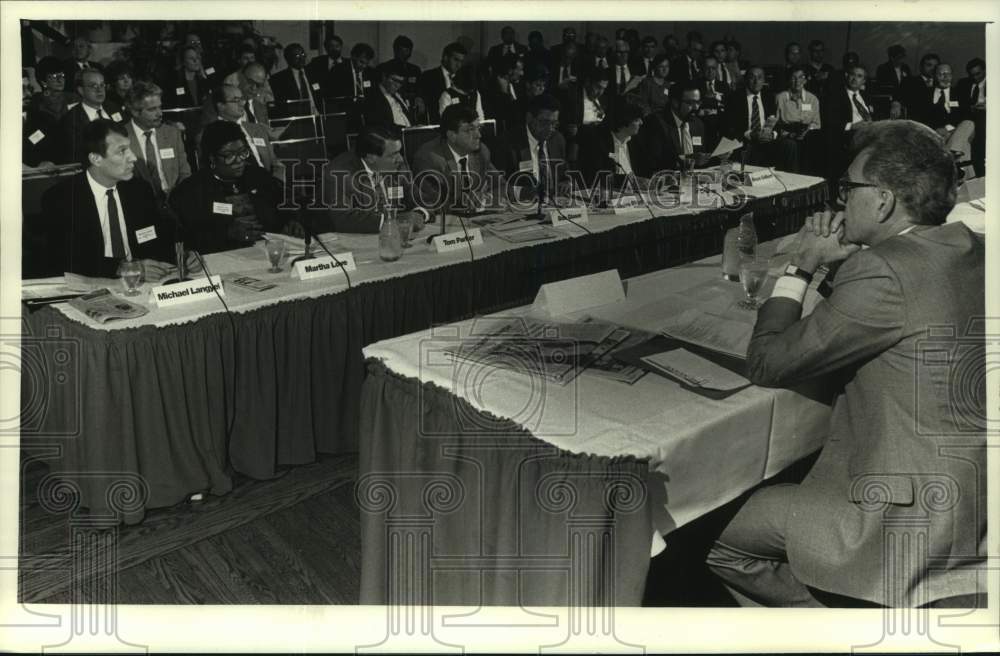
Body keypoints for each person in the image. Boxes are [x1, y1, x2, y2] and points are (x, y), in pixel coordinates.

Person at [706, 119, 986, 608]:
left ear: (881, 200)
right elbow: (883, 319)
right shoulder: (969, 248)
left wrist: (800, 265)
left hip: (902, 514)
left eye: (848, 189)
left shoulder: (882, 270)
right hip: (975, 496)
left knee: (716, 537)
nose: (839, 202)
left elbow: (767, 362)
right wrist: (846, 263)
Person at [41, 119, 173, 277]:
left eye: (129, 148)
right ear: (96, 159)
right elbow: (63, 259)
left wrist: (181, 254)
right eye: (122, 151)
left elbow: (154, 239)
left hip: (140, 283)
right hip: (91, 284)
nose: (133, 158)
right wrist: (121, 268)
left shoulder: (139, 190)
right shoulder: (60, 199)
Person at [169, 121, 290, 254]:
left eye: (243, 152)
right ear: (212, 158)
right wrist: (226, 233)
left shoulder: (259, 176)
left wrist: (292, 222)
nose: (239, 160)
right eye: (229, 155)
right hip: (224, 256)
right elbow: (189, 237)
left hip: (269, 250)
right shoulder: (191, 191)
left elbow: (286, 208)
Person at [313, 124, 428, 234]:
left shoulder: (398, 167)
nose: (401, 159)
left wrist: (419, 214)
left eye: (400, 152)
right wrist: (393, 220)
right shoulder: (339, 173)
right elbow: (342, 218)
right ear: (371, 158)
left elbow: (421, 200)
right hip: (345, 243)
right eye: (393, 154)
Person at [411, 104, 500, 214]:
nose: (478, 135)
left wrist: (489, 197)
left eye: (478, 128)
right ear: (452, 135)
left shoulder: (481, 151)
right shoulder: (428, 158)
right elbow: (433, 203)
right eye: (469, 130)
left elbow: (501, 185)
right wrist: (468, 202)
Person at [490, 93, 568, 203]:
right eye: (544, 122)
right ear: (529, 118)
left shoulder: (557, 139)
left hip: (554, 203)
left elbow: (564, 174)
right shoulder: (507, 143)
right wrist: (525, 192)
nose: (550, 128)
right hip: (522, 206)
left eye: (554, 123)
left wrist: (565, 182)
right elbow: (497, 186)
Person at [125, 80, 191, 203]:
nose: (159, 113)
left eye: (160, 107)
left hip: (174, 200)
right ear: (134, 111)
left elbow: (185, 172)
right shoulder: (121, 137)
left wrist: (180, 197)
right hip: (139, 203)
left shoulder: (172, 133)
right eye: (152, 109)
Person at [722, 67, 795, 169]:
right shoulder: (734, 98)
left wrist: (772, 135)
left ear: (764, 81)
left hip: (767, 141)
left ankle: (791, 180)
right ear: (746, 79)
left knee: (789, 145)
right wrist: (751, 134)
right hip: (746, 141)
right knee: (750, 148)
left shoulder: (769, 97)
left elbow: (777, 124)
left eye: (760, 78)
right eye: (752, 77)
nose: (756, 82)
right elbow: (729, 127)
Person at [636, 82, 709, 177]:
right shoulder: (655, 123)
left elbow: (700, 158)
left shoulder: (698, 124)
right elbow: (654, 162)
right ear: (675, 102)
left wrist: (716, 158)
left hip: (694, 182)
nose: (696, 107)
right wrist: (686, 159)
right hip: (666, 182)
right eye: (690, 103)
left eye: (698, 102)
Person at [206, 84, 277, 176]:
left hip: (266, 181)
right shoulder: (212, 134)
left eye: (242, 99)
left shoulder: (257, 129)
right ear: (221, 105)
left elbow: (274, 163)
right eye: (236, 100)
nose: (242, 103)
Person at [821, 64, 875, 181]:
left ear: (864, 81)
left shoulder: (866, 96)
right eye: (852, 75)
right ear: (846, 76)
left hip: (870, 132)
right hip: (848, 135)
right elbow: (829, 121)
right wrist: (852, 126)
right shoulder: (835, 95)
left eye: (859, 76)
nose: (855, 79)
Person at [58, 69, 124, 164]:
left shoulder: (114, 108)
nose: (99, 90)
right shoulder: (71, 120)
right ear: (81, 90)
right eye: (93, 86)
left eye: (102, 85)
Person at [579, 102, 645, 187]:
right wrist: (630, 181)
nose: (641, 122)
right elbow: (597, 177)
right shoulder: (599, 142)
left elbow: (642, 172)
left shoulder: (635, 143)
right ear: (624, 121)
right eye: (636, 120)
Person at [775, 65, 822, 174]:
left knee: (814, 142)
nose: (797, 81)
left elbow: (816, 123)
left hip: (807, 134)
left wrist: (806, 131)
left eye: (801, 77)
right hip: (787, 134)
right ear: (789, 80)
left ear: (805, 80)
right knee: (791, 145)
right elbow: (776, 123)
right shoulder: (780, 97)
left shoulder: (812, 99)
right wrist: (789, 134)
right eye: (793, 77)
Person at [419, 42, 467, 123]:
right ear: (445, 57)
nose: (459, 65)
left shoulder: (464, 79)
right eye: (456, 60)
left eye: (461, 61)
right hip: (437, 123)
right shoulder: (428, 77)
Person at [376, 35, 424, 115]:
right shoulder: (384, 68)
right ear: (395, 50)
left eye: (407, 51)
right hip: (391, 104)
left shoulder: (415, 69)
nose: (404, 54)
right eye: (401, 51)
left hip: (412, 105)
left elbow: (420, 88)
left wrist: (419, 98)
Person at [363, 60, 417, 129]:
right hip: (391, 136)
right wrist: (407, 129)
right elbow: (380, 125)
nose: (397, 85)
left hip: (409, 133)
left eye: (401, 82)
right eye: (394, 80)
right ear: (384, 77)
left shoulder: (398, 95)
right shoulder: (373, 96)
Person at [956, 57, 986, 177]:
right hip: (969, 118)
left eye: (978, 74)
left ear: (985, 70)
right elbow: (959, 107)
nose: (975, 78)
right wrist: (971, 108)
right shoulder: (963, 84)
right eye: (972, 75)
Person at [270, 43, 322, 109]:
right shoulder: (279, 79)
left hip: (316, 115)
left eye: (303, 54)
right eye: (297, 56)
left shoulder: (314, 73)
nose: (301, 58)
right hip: (295, 117)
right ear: (288, 58)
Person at [483, 54, 525, 131]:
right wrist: (504, 93)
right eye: (519, 69)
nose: (522, 73)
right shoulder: (492, 89)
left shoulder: (518, 86)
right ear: (509, 70)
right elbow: (504, 114)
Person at [31, 55, 77, 122]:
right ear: (43, 82)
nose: (60, 80)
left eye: (62, 75)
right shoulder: (37, 102)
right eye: (54, 76)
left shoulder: (73, 98)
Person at [307, 34, 345, 98]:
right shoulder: (317, 62)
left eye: (337, 46)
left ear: (341, 47)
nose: (334, 49)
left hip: (343, 100)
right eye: (331, 46)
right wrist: (317, 91)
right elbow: (311, 80)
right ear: (326, 48)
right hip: (323, 100)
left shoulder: (348, 63)